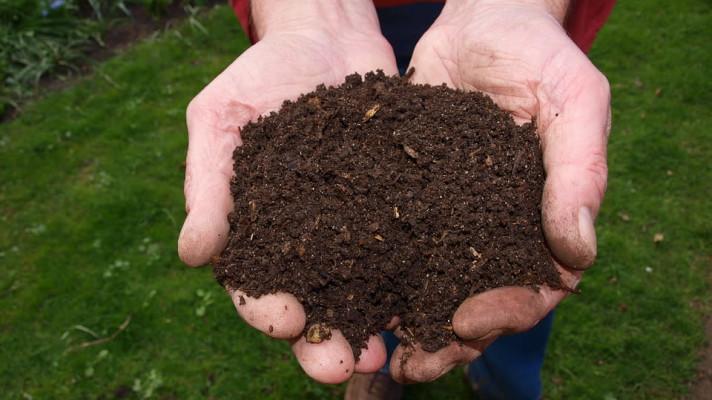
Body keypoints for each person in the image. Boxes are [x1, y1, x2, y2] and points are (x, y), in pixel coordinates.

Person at [178, 1, 614, 398]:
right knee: (373, 287)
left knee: (512, 304)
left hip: (496, 19)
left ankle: (504, 384)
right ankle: (379, 355)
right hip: (345, 20)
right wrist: (307, 13)